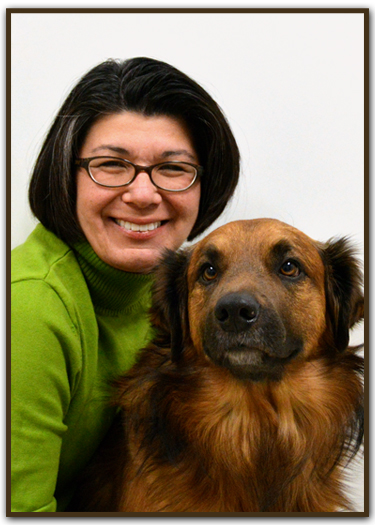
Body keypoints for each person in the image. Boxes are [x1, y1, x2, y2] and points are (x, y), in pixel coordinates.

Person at [11, 57, 240, 512]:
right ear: (67, 174)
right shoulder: (28, 308)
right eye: (111, 164)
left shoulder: (177, 291)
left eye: (173, 169)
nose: (141, 194)